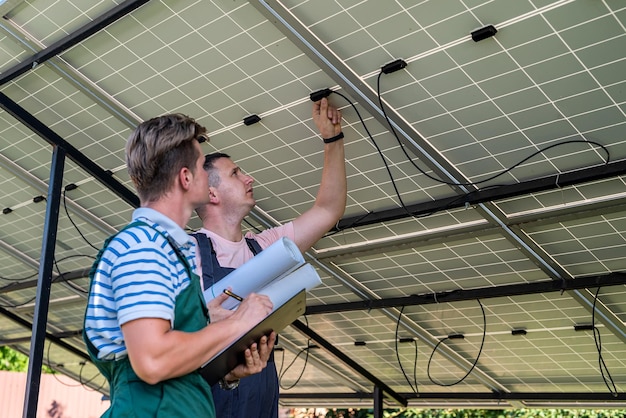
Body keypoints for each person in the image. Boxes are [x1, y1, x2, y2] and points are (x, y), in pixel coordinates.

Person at [83, 113, 276, 418]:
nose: (204, 173)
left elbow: (173, 371)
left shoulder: (167, 248)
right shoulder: (144, 248)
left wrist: (228, 372)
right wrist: (238, 323)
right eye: (201, 167)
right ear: (186, 178)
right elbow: (153, 362)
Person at [193, 97, 347, 418]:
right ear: (212, 194)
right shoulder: (185, 253)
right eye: (236, 173)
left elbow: (327, 210)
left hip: (260, 400)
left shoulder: (265, 247)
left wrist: (332, 140)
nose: (248, 178)